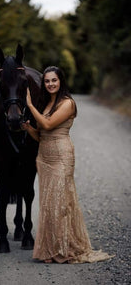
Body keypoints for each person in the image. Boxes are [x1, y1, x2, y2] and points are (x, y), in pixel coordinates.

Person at [21, 66, 114, 264]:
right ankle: (51, 249)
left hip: (62, 156)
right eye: (46, 81)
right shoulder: (47, 103)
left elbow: (47, 125)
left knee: (61, 204)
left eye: (54, 80)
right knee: (48, 205)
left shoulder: (68, 103)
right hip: (44, 156)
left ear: (60, 81)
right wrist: (28, 127)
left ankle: (65, 249)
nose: (50, 84)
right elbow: (41, 135)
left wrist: (29, 105)